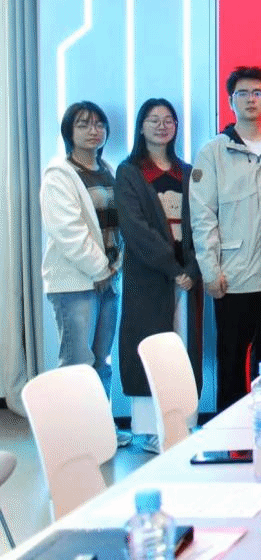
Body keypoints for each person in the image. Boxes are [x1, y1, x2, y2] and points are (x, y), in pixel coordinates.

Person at [191, 66, 261, 410]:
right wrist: (210, 270)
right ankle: (229, 427)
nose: (251, 99)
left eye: (257, 93)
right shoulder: (213, 152)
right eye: (243, 93)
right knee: (231, 358)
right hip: (232, 275)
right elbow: (202, 215)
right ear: (230, 101)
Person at [115, 98, 201, 453]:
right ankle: (151, 430)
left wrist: (191, 268)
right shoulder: (130, 172)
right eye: (153, 119)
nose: (162, 125)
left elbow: (202, 223)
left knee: (182, 348)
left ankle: (183, 423)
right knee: (149, 347)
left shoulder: (188, 172)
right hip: (149, 274)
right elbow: (135, 228)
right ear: (141, 126)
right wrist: (172, 267)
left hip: (187, 276)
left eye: (168, 120)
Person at [40, 101, 127, 445]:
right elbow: (68, 231)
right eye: (83, 124)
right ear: (69, 132)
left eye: (99, 124)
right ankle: (74, 438)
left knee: (101, 361)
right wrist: (99, 269)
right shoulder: (59, 175)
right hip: (74, 283)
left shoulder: (108, 171)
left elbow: (118, 228)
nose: (93, 131)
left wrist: (112, 269)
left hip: (108, 279)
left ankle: (101, 430)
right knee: (77, 363)